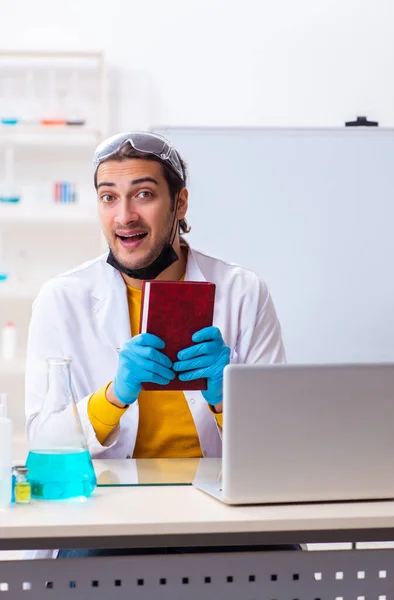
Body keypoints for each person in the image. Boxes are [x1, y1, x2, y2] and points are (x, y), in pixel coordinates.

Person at [25, 132, 291, 559]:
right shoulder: (63, 298)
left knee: (284, 565)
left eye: (143, 194)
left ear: (180, 203)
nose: (124, 216)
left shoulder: (242, 291)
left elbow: (279, 447)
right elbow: (41, 437)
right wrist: (113, 397)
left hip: (223, 509)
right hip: (108, 512)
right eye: (108, 198)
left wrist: (228, 396)